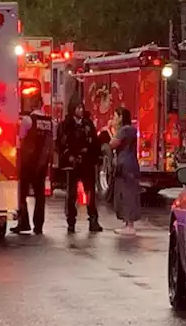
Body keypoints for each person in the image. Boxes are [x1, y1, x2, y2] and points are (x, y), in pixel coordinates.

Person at [56, 104, 102, 234]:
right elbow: (61, 143)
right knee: (71, 194)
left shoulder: (88, 124)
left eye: (82, 108)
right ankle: (71, 221)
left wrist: (92, 155)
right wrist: (69, 156)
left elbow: (95, 142)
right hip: (72, 164)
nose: (80, 110)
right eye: (78, 108)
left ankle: (93, 220)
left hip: (87, 163)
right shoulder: (66, 125)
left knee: (90, 192)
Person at [14, 93, 54, 234]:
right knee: (40, 195)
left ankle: (24, 223)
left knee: (22, 194)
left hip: (28, 162)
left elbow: (21, 140)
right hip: (42, 163)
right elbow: (51, 142)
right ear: (41, 104)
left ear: (32, 104)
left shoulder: (28, 120)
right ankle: (39, 226)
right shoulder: (50, 121)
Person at [109, 107, 142, 235]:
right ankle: (128, 223)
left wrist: (111, 131)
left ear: (121, 117)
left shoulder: (124, 130)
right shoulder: (132, 130)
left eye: (116, 116)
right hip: (131, 163)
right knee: (130, 192)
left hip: (125, 165)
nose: (114, 119)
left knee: (126, 193)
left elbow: (113, 144)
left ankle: (129, 225)